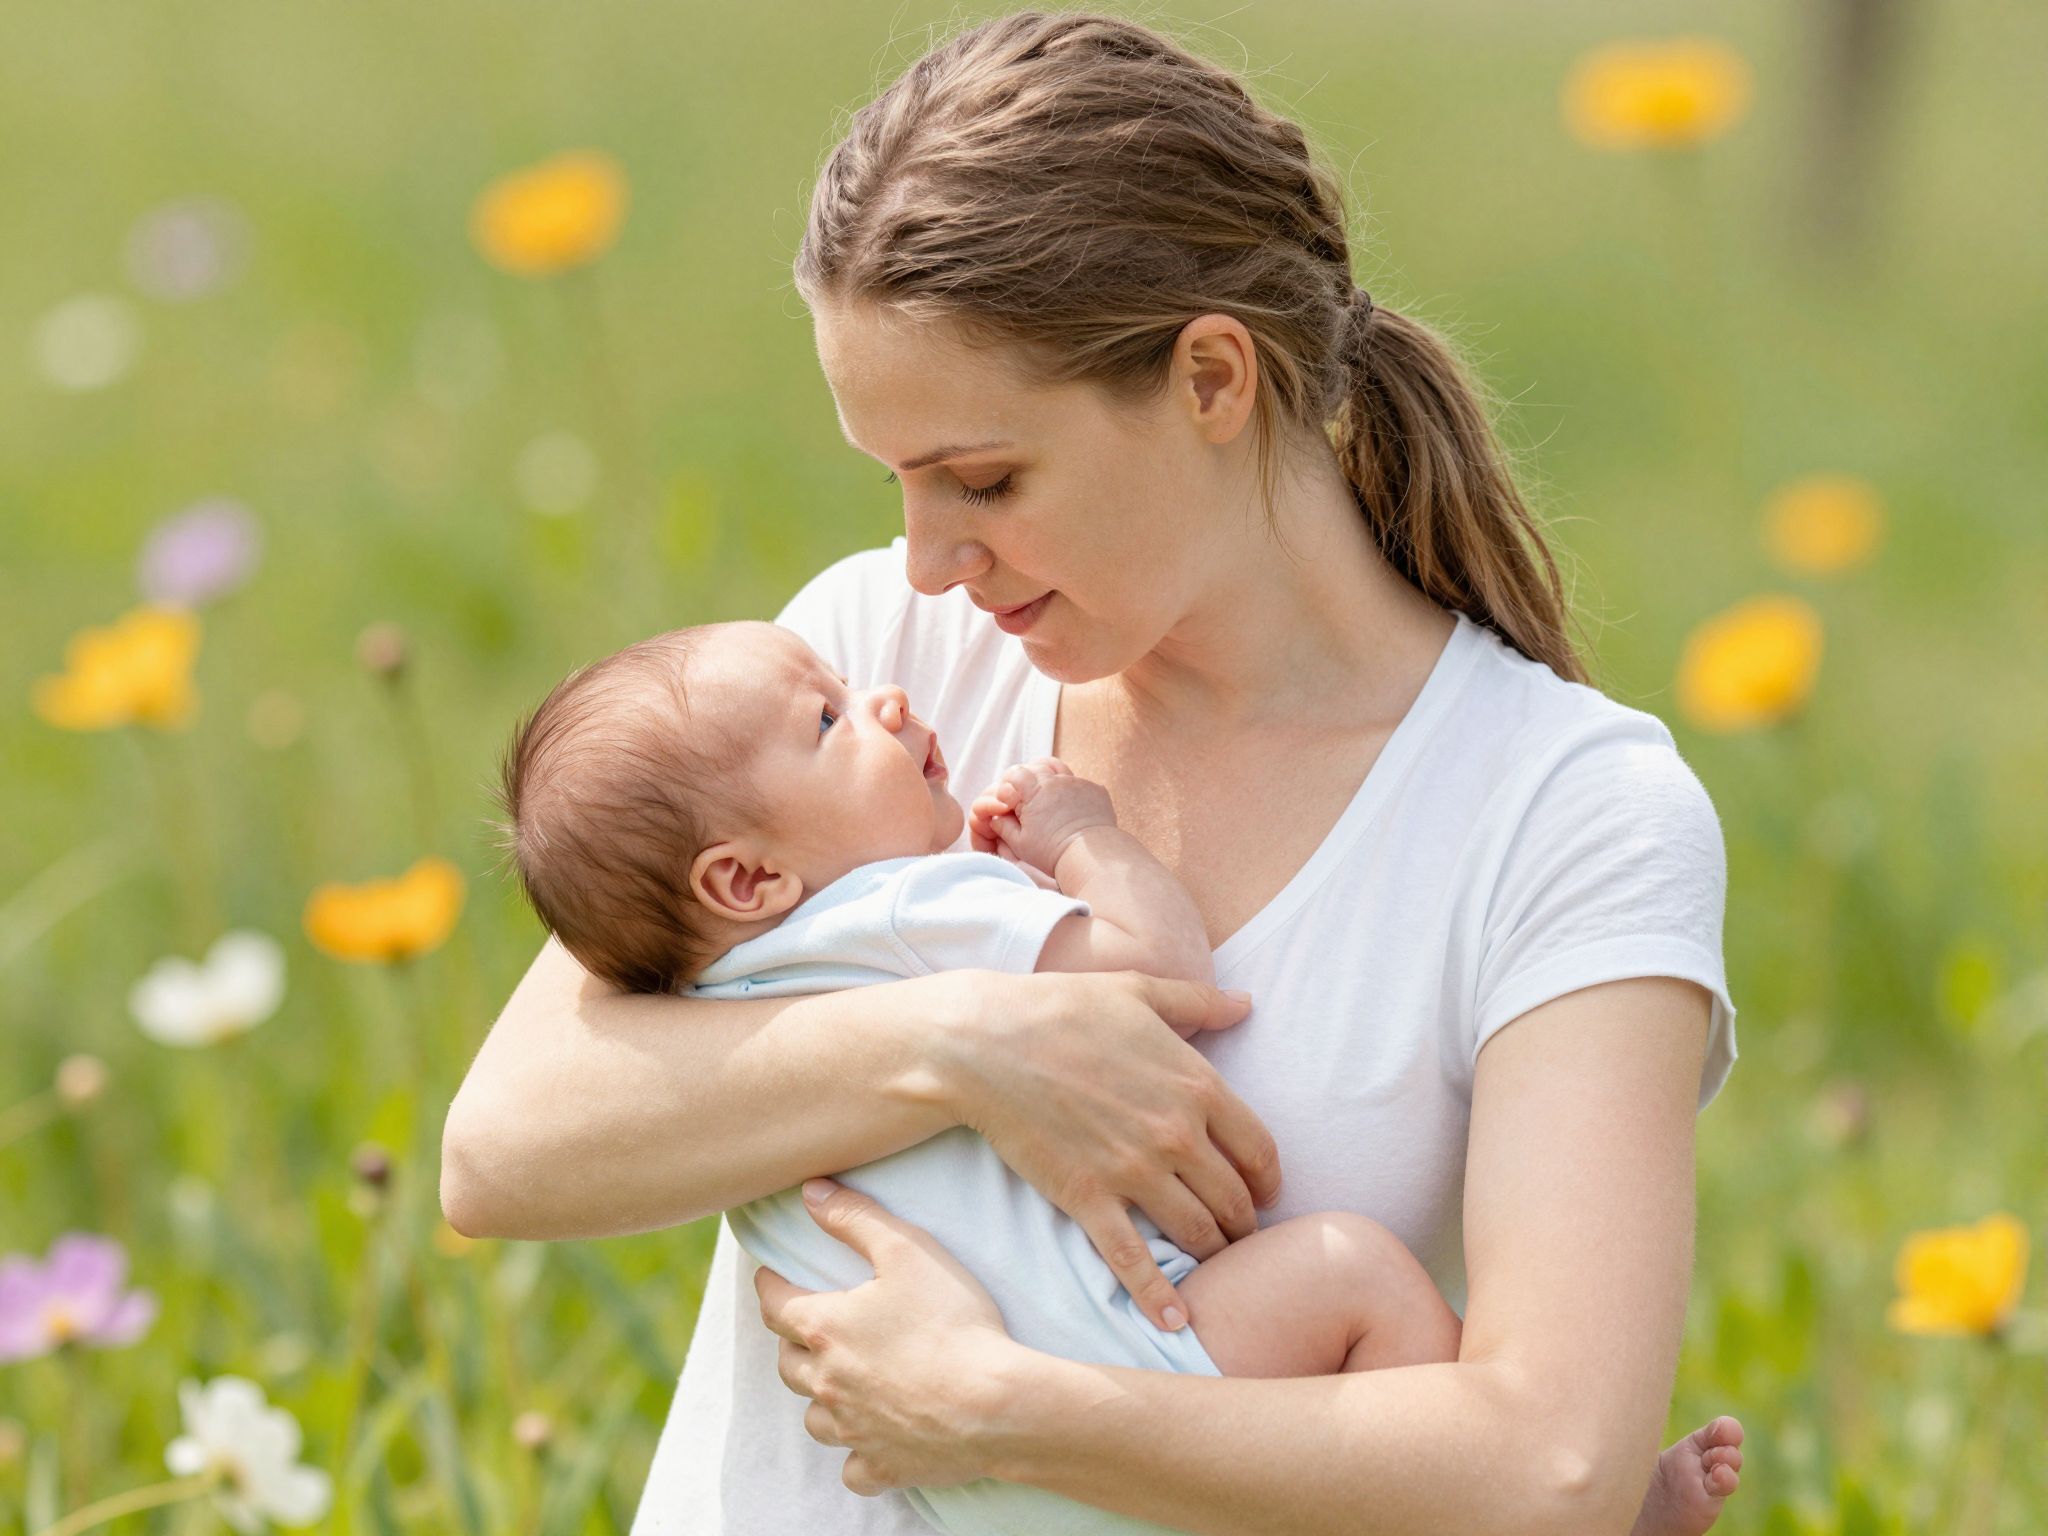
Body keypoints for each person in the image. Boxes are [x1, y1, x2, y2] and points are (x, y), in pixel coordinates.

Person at [441, 12, 1747, 1535]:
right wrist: (969, 1045)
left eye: (986, 481)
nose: (931, 559)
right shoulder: (870, 677)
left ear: (1211, 379)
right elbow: (506, 1147)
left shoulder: (1565, 818)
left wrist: (1005, 1412)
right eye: (900, 485)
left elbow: (1554, 1466)